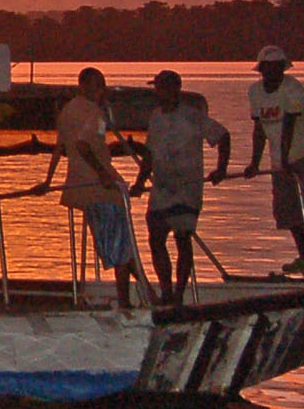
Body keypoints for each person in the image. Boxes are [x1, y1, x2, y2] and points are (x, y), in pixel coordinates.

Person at [135, 70, 229, 305]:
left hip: (187, 188)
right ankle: (166, 291)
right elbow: (149, 153)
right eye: (157, 88)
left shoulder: (192, 116)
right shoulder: (156, 116)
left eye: (162, 88)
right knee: (156, 238)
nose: (159, 92)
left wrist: (221, 169)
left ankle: (178, 292)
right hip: (162, 188)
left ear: (175, 89)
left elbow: (222, 136)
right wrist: (139, 181)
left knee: (182, 238)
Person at [57, 66, 146, 306]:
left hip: (80, 187)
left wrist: (48, 180)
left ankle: (148, 292)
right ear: (84, 86)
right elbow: (82, 144)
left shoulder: (68, 110)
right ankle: (127, 301)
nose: (102, 91)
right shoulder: (95, 114)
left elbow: (61, 146)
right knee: (121, 248)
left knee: (120, 246)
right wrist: (103, 174)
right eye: (99, 86)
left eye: (103, 86)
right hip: (101, 189)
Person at [243, 45, 304, 278]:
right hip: (279, 160)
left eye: (277, 68)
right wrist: (254, 162)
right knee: (286, 209)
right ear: (261, 70)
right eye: (268, 68)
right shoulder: (255, 92)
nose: (272, 73)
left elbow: (289, 125)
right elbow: (259, 129)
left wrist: (286, 159)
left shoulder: (293, 88)